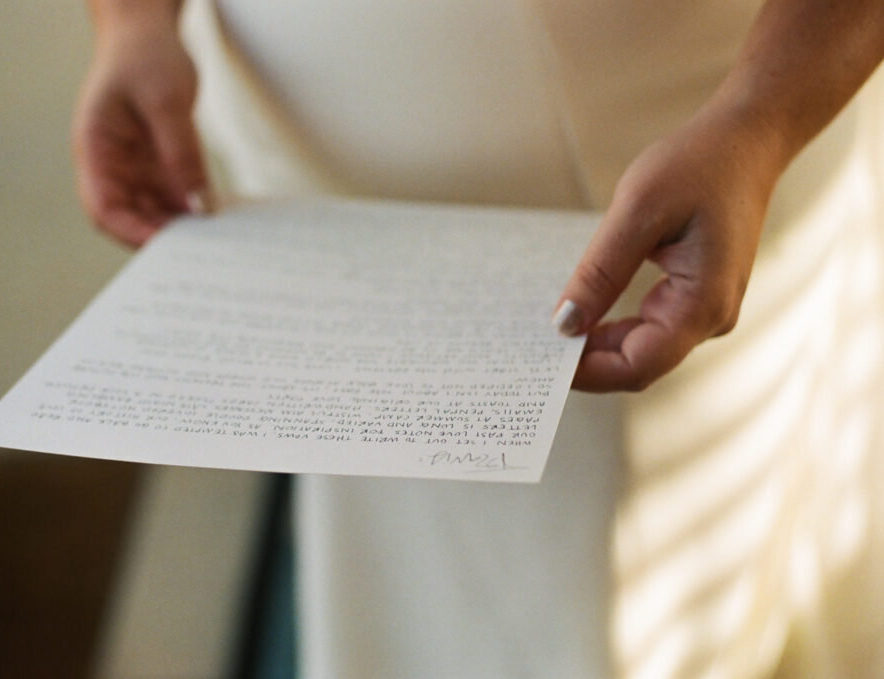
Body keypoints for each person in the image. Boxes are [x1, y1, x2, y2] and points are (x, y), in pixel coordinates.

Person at [75, 1, 884, 677]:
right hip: (307, 204)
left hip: (655, 192)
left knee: (606, 607)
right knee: (391, 564)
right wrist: (133, 25)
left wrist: (759, 123)